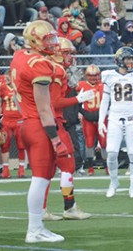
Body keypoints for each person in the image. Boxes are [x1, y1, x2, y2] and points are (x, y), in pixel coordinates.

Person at [9, 19, 65, 243]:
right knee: (41, 179)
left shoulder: (19, 56)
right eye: (48, 39)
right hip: (39, 126)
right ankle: (34, 229)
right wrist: (55, 139)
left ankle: (36, 227)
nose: (52, 42)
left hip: (27, 122)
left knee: (42, 177)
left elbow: (17, 95)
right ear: (34, 40)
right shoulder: (38, 64)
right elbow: (44, 108)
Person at [45, 37, 93, 220]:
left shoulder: (52, 68)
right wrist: (78, 99)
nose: (70, 57)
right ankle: (69, 207)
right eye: (67, 53)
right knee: (67, 164)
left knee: (47, 170)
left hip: (50, 121)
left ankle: (44, 209)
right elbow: (56, 102)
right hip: (54, 122)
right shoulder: (56, 71)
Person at [98, 47, 133, 198]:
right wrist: (101, 120)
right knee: (111, 152)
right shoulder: (109, 76)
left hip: (132, 118)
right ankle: (114, 182)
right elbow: (104, 100)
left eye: (131, 59)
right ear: (120, 60)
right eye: (127, 59)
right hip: (114, 118)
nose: (130, 62)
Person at [77, 65, 106, 176]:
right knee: (89, 143)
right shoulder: (81, 85)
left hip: (102, 118)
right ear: (86, 76)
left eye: (95, 75)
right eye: (90, 75)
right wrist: (84, 113)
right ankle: (90, 168)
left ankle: (107, 166)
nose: (93, 78)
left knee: (104, 143)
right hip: (88, 119)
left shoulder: (104, 85)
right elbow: (77, 102)